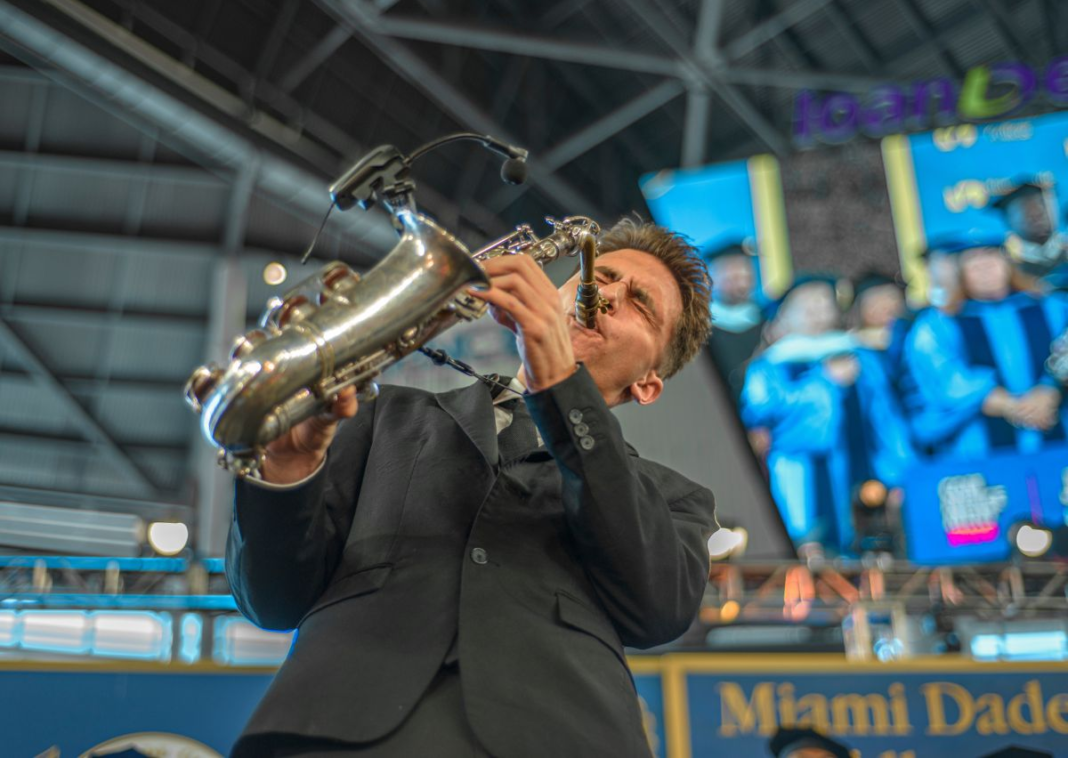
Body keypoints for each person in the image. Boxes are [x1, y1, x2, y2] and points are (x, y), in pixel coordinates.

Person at [225, 218, 718, 757]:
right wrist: (289, 466)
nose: (603, 293)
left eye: (640, 304)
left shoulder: (674, 498)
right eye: (596, 273)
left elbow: (659, 610)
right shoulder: (378, 413)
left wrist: (559, 385)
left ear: (646, 385)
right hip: (331, 734)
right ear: (555, 293)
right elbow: (271, 600)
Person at [741, 276, 914, 556]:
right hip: (797, 475)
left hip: (861, 475)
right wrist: (824, 381)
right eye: (805, 303)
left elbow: (885, 421)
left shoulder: (860, 357)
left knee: (872, 547)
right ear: (783, 317)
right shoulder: (770, 365)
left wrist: (899, 474)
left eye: (824, 300)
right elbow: (764, 417)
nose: (817, 308)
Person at [904, 229, 1068, 458]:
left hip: (1058, 434)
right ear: (959, 273)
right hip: (980, 451)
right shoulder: (937, 325)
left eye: (991, 256)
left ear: (1007, 262)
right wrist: (1010, 406)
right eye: (973, 262)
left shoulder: (1054, 307)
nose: (985, 267)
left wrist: (1050, 390)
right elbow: (943, 379)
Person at [705, 240, 765, 404]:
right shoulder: (698, 328)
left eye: (745, 269)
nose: (741, 278)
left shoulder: (767, 323)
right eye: (731, 270)